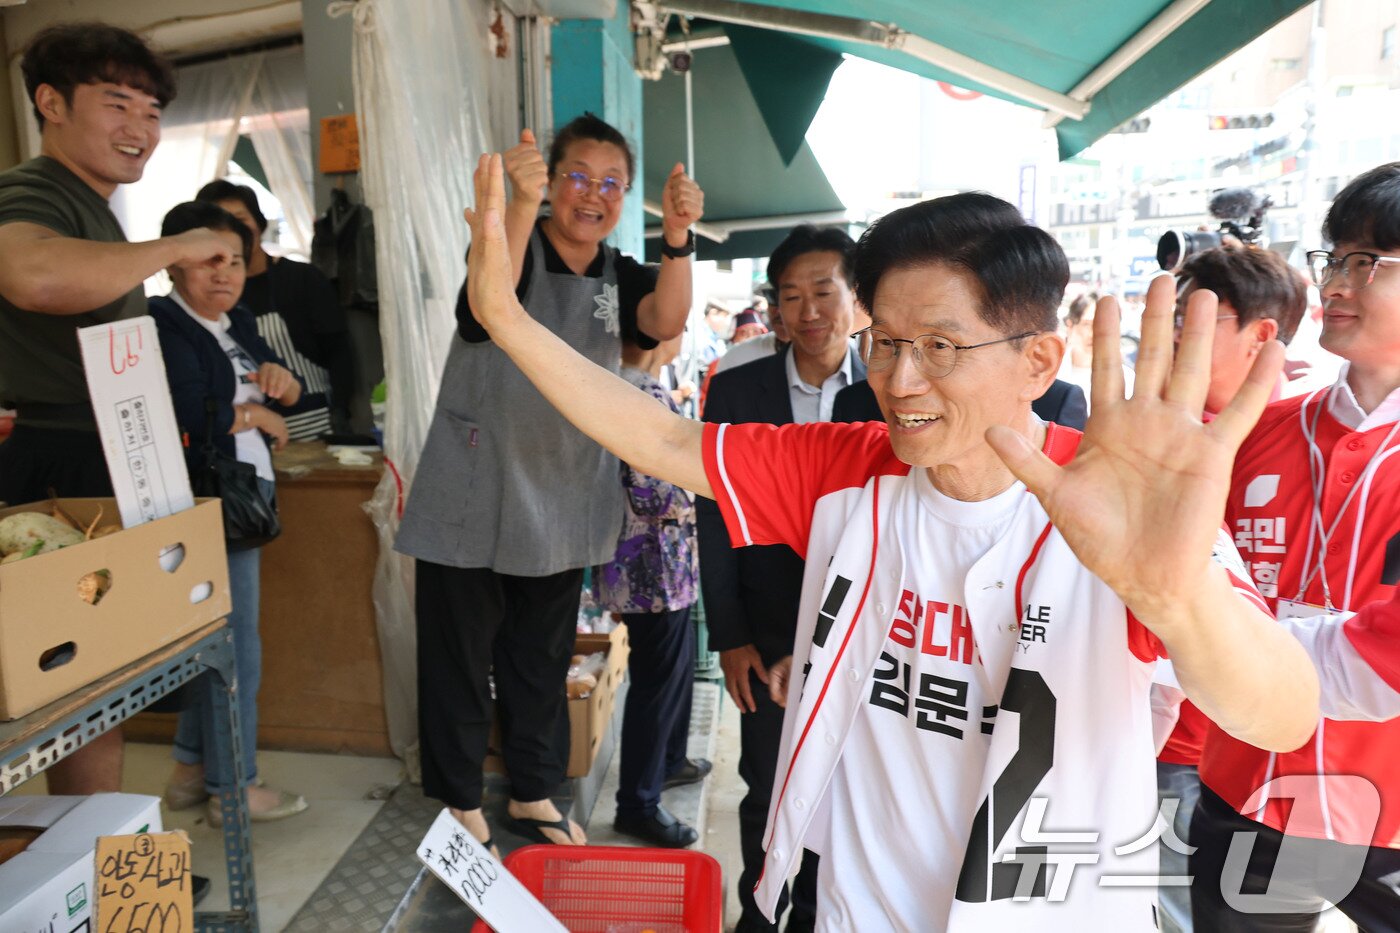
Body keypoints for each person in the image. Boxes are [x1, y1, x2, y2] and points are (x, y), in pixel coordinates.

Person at [460, 153, 1318, 929]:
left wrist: (1177, 599)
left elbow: (1283, 714)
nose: (900, 382)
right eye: (888, 343)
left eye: (941, 347)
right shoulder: (852, 469)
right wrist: (505, 317)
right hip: (850, 909)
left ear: (1038, 359)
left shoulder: (1112, 507)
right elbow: (667, 442)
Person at [394, 115, 704, 851]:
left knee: (539, 654)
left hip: (563, 491)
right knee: (459, 656)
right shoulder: (513, 244)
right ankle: (461, 797)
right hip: (475, 486)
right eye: (575, 176)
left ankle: (533, 789)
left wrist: (680, 237)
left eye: (610, 184)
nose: (590, 195)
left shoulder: (617, 272)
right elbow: (485, 304)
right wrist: (515, 205)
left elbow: (665, 317)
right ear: (549, 180)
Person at [0, 22, 232, 798]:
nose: (140, 129)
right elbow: (30, 274)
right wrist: (171, 250)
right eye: (117, 104)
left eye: (153, 112)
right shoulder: (33, 189)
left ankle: (102, 873)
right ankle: (83, 882)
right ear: (51, 103)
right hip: (58, 464)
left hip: (107, 457)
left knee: (99, 691)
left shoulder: (94, 206)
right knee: (75, 682)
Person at [1190, 162, 1400, 932]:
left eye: (1365, 262)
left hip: (1382, 812)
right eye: (1334, 257)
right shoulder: (1259, 433)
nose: (1335, 283)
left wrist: (1229, 648)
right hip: (1243, 790)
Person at [700, 224, 863, 931]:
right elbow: (713, 518)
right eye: (791, 296)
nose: (808, 312)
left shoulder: (891, 386)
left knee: (850, 791)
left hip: (862, 633)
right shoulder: (737, 389)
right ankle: (759, 918)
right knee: (766, 786)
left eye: (824, 291)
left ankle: (820, 915)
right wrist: (728, 634)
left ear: (856, 298)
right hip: (766, 633)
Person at [1152, 245, 1307, 933]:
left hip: (1272, 760)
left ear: (1262, 335)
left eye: (1195, 318)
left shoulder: (1310, 442)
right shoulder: (1149, 434)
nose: (1176, 332)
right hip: (1166, 745)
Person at [148, 201, 308, 824]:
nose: (224, 273)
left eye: (235, 260)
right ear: (174, 263)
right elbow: (184, 416)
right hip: (203, 507)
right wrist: (255, 415)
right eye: (207, 260)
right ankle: (234, 788)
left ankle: (191, 771)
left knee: (211, 644)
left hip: (243, 505)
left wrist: (282, 388)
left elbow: (284, 389)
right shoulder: (164, 323)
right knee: (236, 648)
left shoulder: (234, 322)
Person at [595, 333, 708, 848]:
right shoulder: (637, 393)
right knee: (656, 684)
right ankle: (637, 804)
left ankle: (671, 761)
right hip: (653, 571)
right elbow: (654, 488)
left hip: (655, 568)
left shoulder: (614, 385)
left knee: (673, 671)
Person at [195, 179, 354, 438]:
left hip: (314, 427)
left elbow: (339, 351)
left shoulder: (302, 279)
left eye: (238, 219)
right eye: (217, 223)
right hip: (247, 430)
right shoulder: (213, 293)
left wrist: (341, 411)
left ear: (259, 223)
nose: (229, 230)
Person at [1060, 291, 1134, 408]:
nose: (1095, 332)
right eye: (1087, 324)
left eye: (1104, 325)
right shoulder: (1050, 375)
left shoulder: (1128, 379)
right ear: (1070, 325)